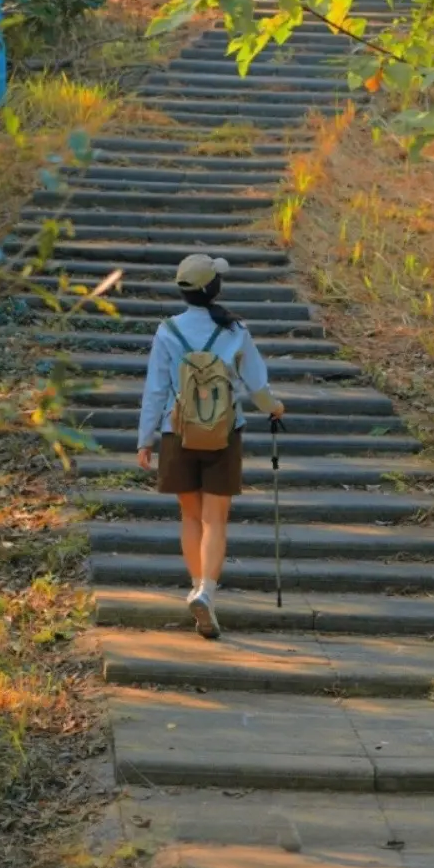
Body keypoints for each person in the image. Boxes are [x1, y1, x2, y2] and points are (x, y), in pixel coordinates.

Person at [137, 250, 286, 640]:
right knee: (215, 519)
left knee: (190, 517)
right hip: (224, 432)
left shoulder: (167, 331)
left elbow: (155, 389)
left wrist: (145, 439)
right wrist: (275, 408)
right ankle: (207, 592)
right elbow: (257, 386)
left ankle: (196, 586)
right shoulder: (236, 330)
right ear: (214, 288)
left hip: (178, 433)